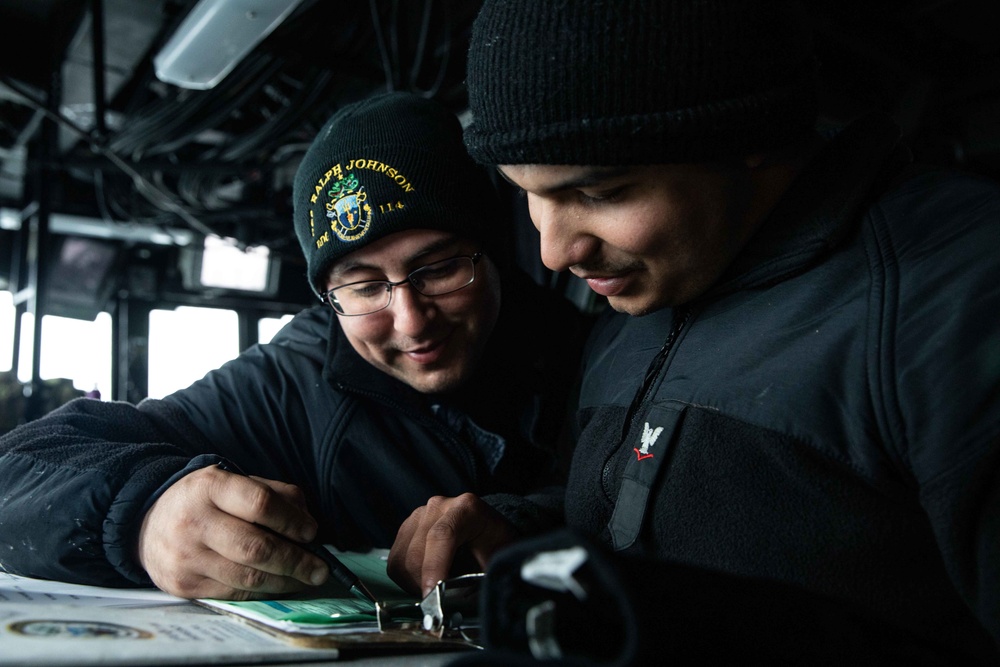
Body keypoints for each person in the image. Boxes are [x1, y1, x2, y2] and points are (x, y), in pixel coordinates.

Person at [387, 0, 1000, 663]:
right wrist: (516, 526)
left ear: (750, 134)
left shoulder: (962, 294)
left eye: (599, 193)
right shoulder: (639, 305)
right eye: (527, 193)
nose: (555, 252)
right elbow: (616, 505)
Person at [0, 92, 588, 601]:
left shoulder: (591, 347)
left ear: (493, 253)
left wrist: (525, 523)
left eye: (436, 270)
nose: (410, 322)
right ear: (326, 296)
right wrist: (140, 515)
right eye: (363, 287)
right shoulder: (289, 382)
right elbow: (16, 468)